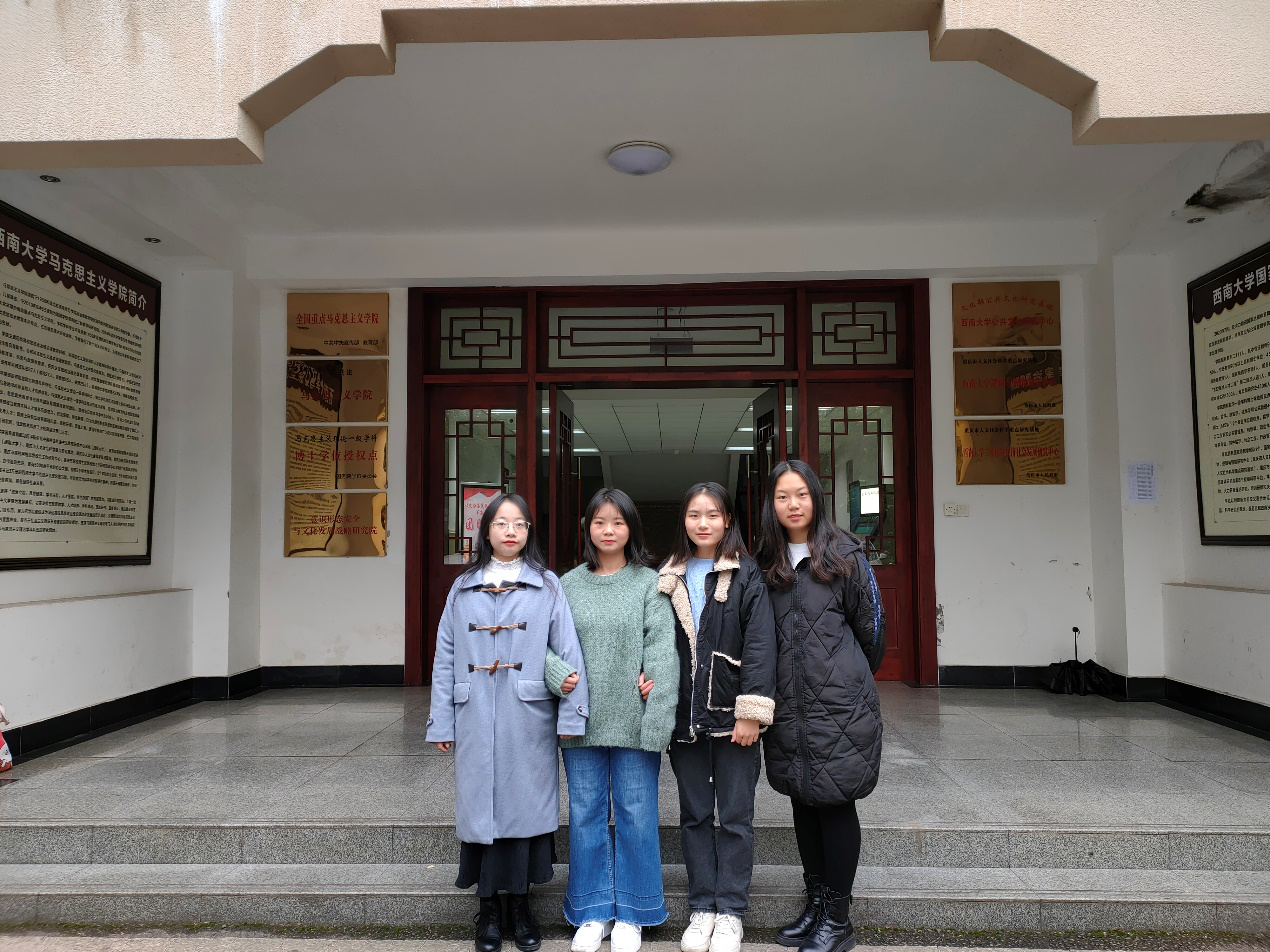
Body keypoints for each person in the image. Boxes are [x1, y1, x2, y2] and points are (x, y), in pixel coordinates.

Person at [427, 493, 590, 952]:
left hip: (528, 713)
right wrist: (441, 721)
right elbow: (446, 655)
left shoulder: (547, 585)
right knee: (481, 806)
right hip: (474, 711)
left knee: (524, 807)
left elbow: (568, 651)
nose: (511, 531)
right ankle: (487, 910)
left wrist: (572, 714)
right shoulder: (463, 587)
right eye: (501, 523)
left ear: (529, 531)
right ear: (486, 531)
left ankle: (520, 906)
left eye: (519, 523)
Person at [753, 460, 885, 952]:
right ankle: (816, 903)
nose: (793, 504)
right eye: (782, 496)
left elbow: (872, 632)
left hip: (838, 705)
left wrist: (843, 678)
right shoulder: (766, 562)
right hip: (788, 704)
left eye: (801, 494)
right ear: (772, 504)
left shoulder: (845, 554)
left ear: (816, 498)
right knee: (802, 801)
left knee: (835, 802)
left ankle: (838, 918)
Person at [556, 487, 679, 952]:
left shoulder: (649, 583)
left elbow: (661, 651)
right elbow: (543, 643)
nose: (608, 531)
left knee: (636, 813)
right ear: (587, 527)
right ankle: (591, 911)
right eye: (599, 522)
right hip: (580, 718)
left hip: (633, 718)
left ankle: (633, 911)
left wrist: (657, 711)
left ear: (632, 528)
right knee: (585, 813)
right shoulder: (566, 584)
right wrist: (555, 673)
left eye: (618, 522)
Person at [657, 482, 776, 952]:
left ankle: (730, 911)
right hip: (684, 716)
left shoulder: (746, 574)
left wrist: (751, 713)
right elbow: (656, 642)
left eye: (712, 514)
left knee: (735, 816)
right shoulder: (668, 575)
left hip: (733, 717)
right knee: (694, 815)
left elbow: (761, 645)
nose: (702, 523)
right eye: (694, 515)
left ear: (727, 520)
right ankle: (702, 906)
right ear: (684, 521)